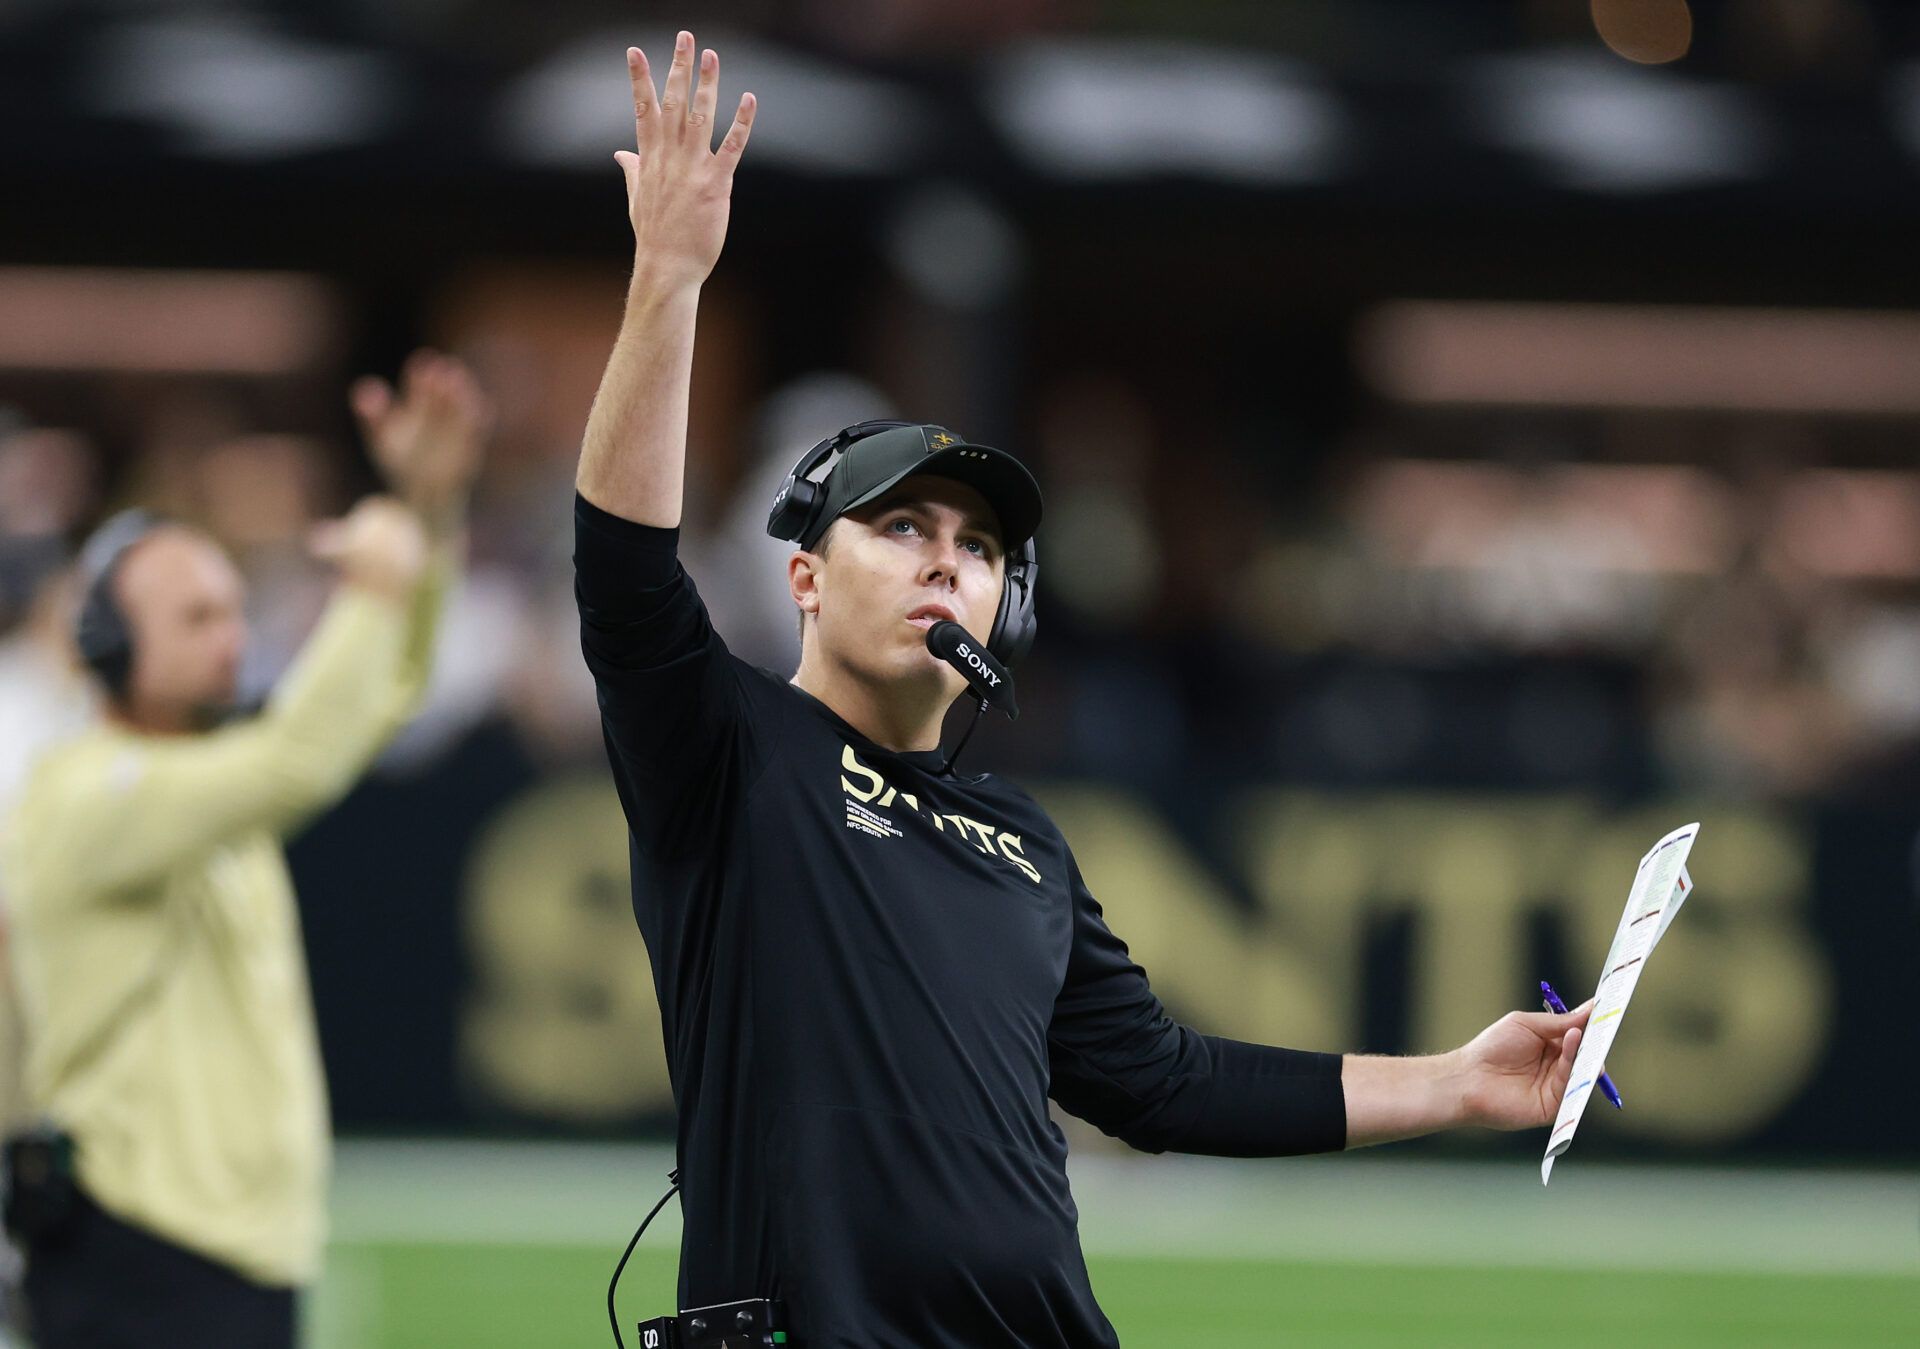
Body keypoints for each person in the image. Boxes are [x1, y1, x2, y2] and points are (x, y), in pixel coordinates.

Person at [574, 34, 1592, 1348]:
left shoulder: (1023, 845)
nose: (947, 558)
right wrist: (668, 279)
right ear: (805, 579)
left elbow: (1168, 1082)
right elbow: (623, 566)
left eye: (981, 547)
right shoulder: (726, 752)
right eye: (899, 527)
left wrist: (1455, 1083)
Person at [0, 352, 490, 1349]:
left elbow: (382, 696)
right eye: (193, 617)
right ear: (107, 645)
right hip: (139, 1239)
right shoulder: (85, 789)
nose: (229, 638)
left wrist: (427, 513)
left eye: (230, 610)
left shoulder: (206, 782)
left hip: (230, 1245)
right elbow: (304, 752)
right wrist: (376, 578)